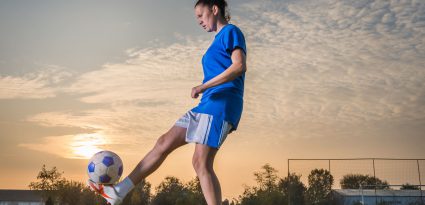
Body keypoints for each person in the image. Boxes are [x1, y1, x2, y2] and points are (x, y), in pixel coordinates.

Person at [88, 0, 247, 204]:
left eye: (200, 15)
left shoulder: (231, 32)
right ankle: (119, 191)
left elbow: (239, 66)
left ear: (214, 9)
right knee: (164, 142)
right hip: (206, 104)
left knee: (201, 163)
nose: (198, 21)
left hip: (221, 104)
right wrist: (205, 90)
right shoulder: (216, 41)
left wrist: (202, 86)